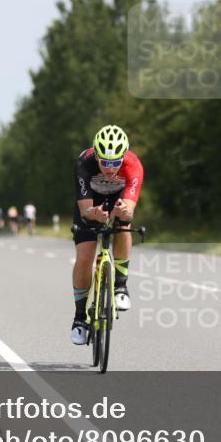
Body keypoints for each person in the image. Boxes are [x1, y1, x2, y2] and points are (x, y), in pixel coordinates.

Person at [70, 125, 143, 345]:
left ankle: (120, 284)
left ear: (123, 157)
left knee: (124, 223)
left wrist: (123, 212)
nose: (109, 168)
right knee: (85, 257)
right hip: (91, 203)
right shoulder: (84, 163)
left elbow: (129, 208)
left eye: (114, 163)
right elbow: (85, 211)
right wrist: (94, 214)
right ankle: (80, 318)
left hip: (117, 199)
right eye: (104, 162)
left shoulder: (133, 165)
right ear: (97, 155)